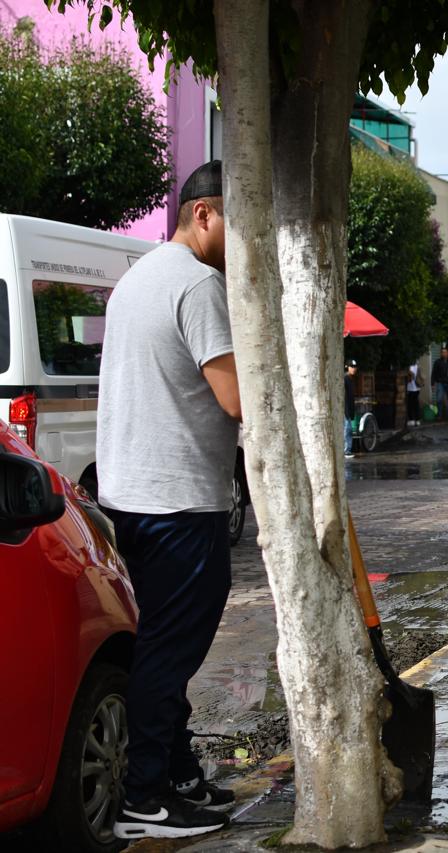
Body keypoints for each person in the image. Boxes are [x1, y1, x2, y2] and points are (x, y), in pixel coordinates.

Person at [96, 161, 238, 839]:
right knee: (167, 655)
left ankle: (178, 777)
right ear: (204, 213)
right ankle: (144, 799)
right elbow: (237, 398)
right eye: (237, 226)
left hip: (128, 497)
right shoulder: (197, 284)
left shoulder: (136, 280)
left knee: (159, 647)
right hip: (181, 501)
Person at [432, 346, 448, 419]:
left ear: (447, 353)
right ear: (440, 353)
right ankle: (439, 415)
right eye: (442, 352)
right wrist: (432, 384)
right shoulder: (437, 362)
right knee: (439, 399)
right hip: (440, 383)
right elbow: (433, 373)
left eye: (445, 352)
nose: (443, 353)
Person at [344, 359, 358, 458]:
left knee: (348, 429)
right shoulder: (345, 379)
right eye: (351, 366)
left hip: (349, 407)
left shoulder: (350, 379)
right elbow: (344, 396)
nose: (353, 368)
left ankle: (347, 449)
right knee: (347, 429)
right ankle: (346, 450)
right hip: (345, 408)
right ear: (347, 367)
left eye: (354, 367)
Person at [405, 361, 422, 427]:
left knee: (410, 404)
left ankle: (411, 420)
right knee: (416, 404)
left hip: (410, 388)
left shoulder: (409, 367)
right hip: (417, 388)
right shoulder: (417, 365)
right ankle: (417, 420)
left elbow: (409, 377)